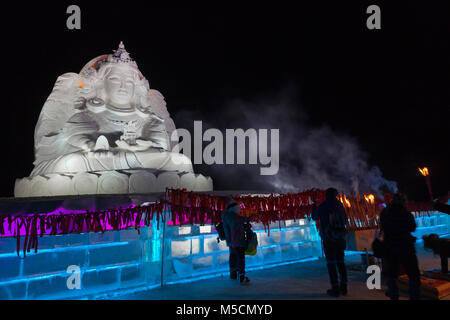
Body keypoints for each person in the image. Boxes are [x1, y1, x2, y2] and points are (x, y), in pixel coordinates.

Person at [380, 193, 421, 300]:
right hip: (405, 246)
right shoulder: (406, 214)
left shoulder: (385, 213)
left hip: (390, 246)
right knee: (413, 274)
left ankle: (393, 295)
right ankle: (414, 296)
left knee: (392, 274)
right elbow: (412, 228)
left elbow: (382, 227)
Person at [312, 188, 348, 297]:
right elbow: (345, 220)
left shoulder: (323, 206)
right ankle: (344, 288)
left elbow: (314, 217)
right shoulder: (340, 206)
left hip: (328, 239)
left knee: (331, 264)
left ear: (326, 195)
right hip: (340, 239)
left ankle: (335, 288)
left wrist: (314, 207)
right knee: (341, 263)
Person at [222, 197, 250, 285]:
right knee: (241, 259)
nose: (240, 210)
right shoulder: (235, 217)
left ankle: (233, 274)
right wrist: (251, 217)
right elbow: (243, 220)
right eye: (239, 208)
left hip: (231, 242)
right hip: (238, 241)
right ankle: (242, 277)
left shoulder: (227, 216)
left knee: (233, 257)